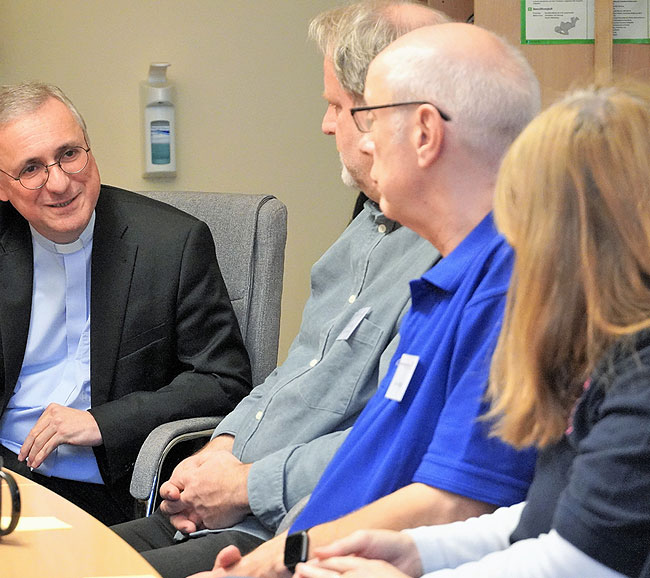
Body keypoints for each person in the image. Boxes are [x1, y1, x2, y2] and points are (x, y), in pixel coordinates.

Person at [111, 3, 448, 577]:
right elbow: (294, 376)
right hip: (224, 508)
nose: (326, 125)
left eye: (337, 105)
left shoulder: (450, 259)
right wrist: (222, 447)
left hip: (284, 526)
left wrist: (245, 485)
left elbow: (389, 443)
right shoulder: (364, 229)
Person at [197, 21, 543, 578]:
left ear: (425, 133)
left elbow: (459, 501)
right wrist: (280, 552)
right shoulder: (444, 281)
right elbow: (373, 465)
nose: (360, 140)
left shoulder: (506, 283)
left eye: (370, 117)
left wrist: (279, 559)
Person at [292, 81, 650, 578]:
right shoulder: (603, 349)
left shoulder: (640, 372)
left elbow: (581, 562)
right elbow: (542, 519)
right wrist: (417, 551)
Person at [0, 82, 252, 525]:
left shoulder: (172, 243)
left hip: (104, 483)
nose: (61, 183)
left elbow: (223, 379)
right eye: (30, 169)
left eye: (69, 154)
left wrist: (101, 422)